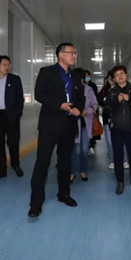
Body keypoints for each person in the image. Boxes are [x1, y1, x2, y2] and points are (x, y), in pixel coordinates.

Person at [29, 43, 85, 218]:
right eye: (71, 53)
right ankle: (36, 203)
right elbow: (39, 94)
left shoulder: (75, 76)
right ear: (60, 54)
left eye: (75, 53)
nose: (74, 56)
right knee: (42, 162)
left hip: (68, 125)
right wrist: (59, 105)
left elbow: (81, 97)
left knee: (65, 162)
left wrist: (78, 108)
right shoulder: (47, 72)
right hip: (49, 125)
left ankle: (64, 193)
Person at [107, 65, 131, 195]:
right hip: (116, 129)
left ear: (126, 75)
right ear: (114, 79)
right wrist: (117, 101)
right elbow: (107, 109)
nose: (120, 76)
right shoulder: (111, 92)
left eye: (122, 73)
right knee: (118, 156)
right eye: (117, 75)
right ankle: (120, 181)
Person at [70, 68, 98, 182]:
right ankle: (72, 172)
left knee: (85, 150)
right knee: (72, 149)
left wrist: (87, 111)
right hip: (73, 123)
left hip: (85, 124)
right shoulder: (70, 89)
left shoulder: (89, 89)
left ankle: (83, 171)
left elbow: (95, 104)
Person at [98, 73, 115, 169]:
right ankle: (112, 160)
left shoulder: (121, 89)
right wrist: (106, 105)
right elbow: (99, 99)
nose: (112, 80)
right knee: (109, 142)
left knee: (121, 142)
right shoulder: (105, 90)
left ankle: (124, 160)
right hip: (107, 119)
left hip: (118, 119)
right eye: (110, 78)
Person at [83, 69, 99, 155]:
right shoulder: (78, 87)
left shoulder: (92, 86)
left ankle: (91, 145)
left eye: (87, 76)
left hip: (91, 111)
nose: (86, 77)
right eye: (85, 76)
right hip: (83, 114)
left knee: (91, 129)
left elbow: (95, 101)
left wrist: (93, 110)